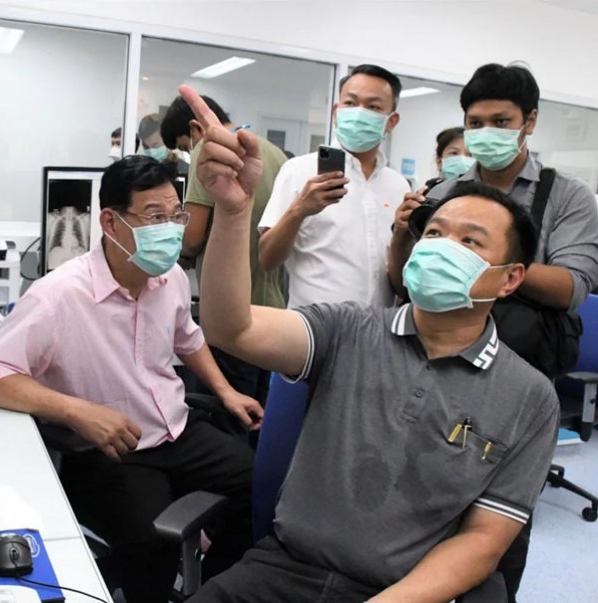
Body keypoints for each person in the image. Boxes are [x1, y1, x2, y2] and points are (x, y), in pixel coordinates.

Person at [178, 86, 559, 603]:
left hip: (403, 591)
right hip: (285, 569)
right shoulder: (348, 329)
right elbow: (231, 329)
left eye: (470, 241)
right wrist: (231, 212)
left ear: (510, 278)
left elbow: (482, 543)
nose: (442, 248)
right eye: (434, 234)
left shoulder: (529, 396)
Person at [0, 156, 263, 603]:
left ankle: (216, 587)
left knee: (262, 486)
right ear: (110, 222)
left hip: (176, 428)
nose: (171, 229)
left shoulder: (171, 278)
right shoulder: (59, 295)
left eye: (176, 216)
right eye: (155, 217)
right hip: (115, 449)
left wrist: (226, 392)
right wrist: (78, 411)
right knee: (151, 544)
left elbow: (188, 337)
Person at [388, 62, 598, 602]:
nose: (485, 133)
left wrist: (481, 262)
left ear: (529, 121)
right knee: (417, 496)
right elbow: (403, 282)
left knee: (496, 523)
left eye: (500, 121)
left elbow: (573, 286)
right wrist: (404, 235)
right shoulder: (445, 190)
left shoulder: (567, 196)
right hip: (434, 365)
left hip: (516, 375)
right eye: (475, 122)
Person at [160, 94, 288, 414]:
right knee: (261, 413)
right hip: (274, 312)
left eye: (185, 146)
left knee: (227, 416)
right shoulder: (274, 154)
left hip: (230, 314)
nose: (189, 153)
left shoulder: (211, 152)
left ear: (195, 128)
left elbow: (191, 238)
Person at [258, 64, 411, 311]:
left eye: (373, 107)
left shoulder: (398, 186)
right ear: (336, 112)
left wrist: (403, 237)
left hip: (378, 326)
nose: (359, 113)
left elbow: (399, 284)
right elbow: (267, 259)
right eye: (350, 103)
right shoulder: (299, 171)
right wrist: (299, 210)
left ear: (391, 121)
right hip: (312, 326)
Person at [422, 126, 475, 191]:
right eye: (454, 153)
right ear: (439, 162)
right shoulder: (430, 192)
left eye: (470, 155)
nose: (462, 160)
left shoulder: (484, 194)